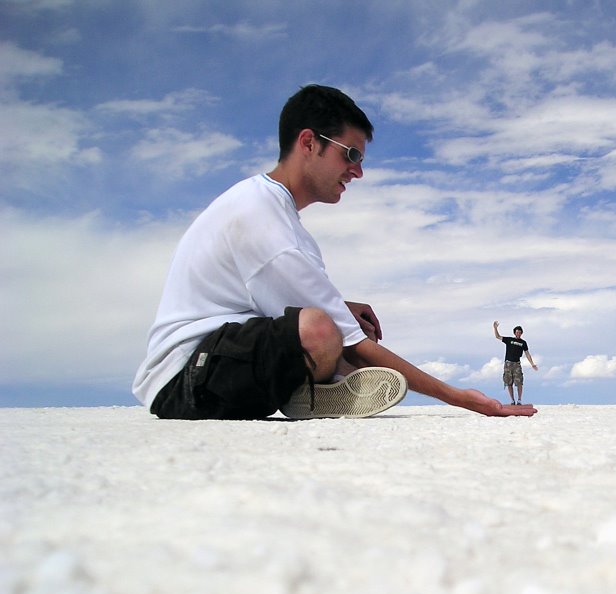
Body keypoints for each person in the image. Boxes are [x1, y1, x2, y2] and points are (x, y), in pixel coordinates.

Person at [132, 84, 536, 420]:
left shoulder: (273, 212)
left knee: (340, 322)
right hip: (184, 379)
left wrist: (342, 310)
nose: (357, 171)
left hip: (218, 356)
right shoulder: (265, 222)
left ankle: (322, 385)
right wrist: (460, 398)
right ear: (309, 142)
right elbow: (351, 340)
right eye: (351, 154)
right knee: (324, 331)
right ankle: (328, 382)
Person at [493, 321, 538, 405]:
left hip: (517, 364)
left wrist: (532, 364)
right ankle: (512, 400)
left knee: (519, 382)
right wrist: (495, 328)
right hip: (508, 364)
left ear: (521, 333)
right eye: (517, 332)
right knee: (509, 382)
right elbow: (497, 336)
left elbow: (527, 353)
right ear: (514, 333)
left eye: (520, 332)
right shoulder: (509, 340)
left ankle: (519, 400)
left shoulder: (523, 343)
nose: (518, 333)